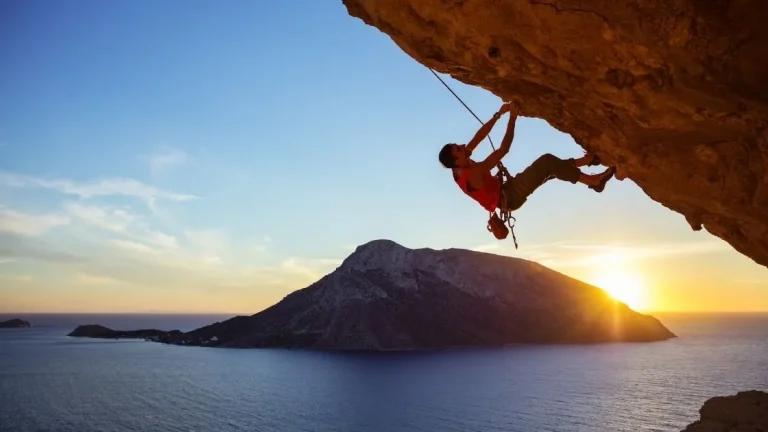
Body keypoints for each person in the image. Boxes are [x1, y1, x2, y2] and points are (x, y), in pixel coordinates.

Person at [437, 101, 616, 216]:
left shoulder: (458, 166)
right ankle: (594, 181)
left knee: (550, 168)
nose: (463, 146)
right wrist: (512, 118)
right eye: (459, 149)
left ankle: (587, 161)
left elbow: (479, 136)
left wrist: (498, 115)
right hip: (511, 196)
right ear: (457, 160)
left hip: (506, 191)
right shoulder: (473, 173)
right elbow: (503, 149)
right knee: (547, 162)